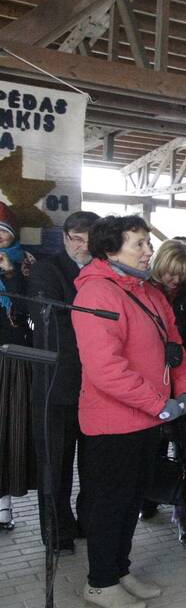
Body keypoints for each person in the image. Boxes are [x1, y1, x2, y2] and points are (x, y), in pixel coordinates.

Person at [72, 215, 186, 608]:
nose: (149, 251)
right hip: (112, 423)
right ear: (111, 250)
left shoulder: (148, 292)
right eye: (139, 244)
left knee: (131, 501)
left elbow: (174, 346)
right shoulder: (96, 294)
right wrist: (159, 403)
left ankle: (119, 569)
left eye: (147, 242)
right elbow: (105, 368)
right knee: (110, 503)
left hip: (146, 420)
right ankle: (100, 582)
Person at [28, 210, 99, 549]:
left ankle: (87, 522)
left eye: (90, 240)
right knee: (55, 466)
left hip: (97, 387)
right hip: (57, 385)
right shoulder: (48, 270)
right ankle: (56, 532)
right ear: (65, 237)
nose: (83, 246)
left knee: (92, 463)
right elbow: (55, 325)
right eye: (77, 239)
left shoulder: (104, 273)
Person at [148, 239, 186, 548]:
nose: (174, 280)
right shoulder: (143, 291)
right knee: (151, 450)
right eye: (169, 273)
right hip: (150, 387)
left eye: (181, 274)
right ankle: (148, 501)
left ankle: (185, 517)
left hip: (185, 384)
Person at [0, 203, 35, 532]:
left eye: (3, 231)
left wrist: (10, 274)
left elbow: (27, 311)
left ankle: (4, 505)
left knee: (9, 429)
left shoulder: (25, 263)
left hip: (12, 358)